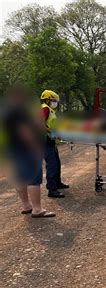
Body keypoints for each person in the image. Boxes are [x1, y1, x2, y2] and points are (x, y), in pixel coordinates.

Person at [1, 86, 55, 217]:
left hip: (11, 147)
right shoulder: (19, 112)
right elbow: (25, 132)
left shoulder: (6, 111)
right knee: (33, 177)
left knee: (20, 177)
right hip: (25, 148)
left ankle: (26, 205)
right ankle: (37, 209)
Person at [40, 90, 68, 198]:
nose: (55, 102)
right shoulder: (45, 109)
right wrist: (50, 131)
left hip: (51, 140)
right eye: (53, 100)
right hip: (45, 141)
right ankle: (52, 189)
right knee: (52, 164)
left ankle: (57, 183)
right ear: (47, 100)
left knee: (57, 162)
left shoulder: (50, 110)